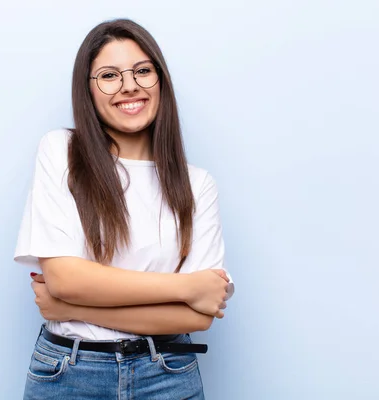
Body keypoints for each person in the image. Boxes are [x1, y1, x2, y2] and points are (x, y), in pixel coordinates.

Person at [14, 18, 235, 400]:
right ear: (88, 90)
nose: (129, 85)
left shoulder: (197, 185)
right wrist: (187, 287)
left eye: (143, 71)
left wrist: (66, 307)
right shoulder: (61, 152)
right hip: (70, 373)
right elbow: (66, 280)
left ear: (160, 81)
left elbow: (196, 317)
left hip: (168, 373)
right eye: (109, 75)